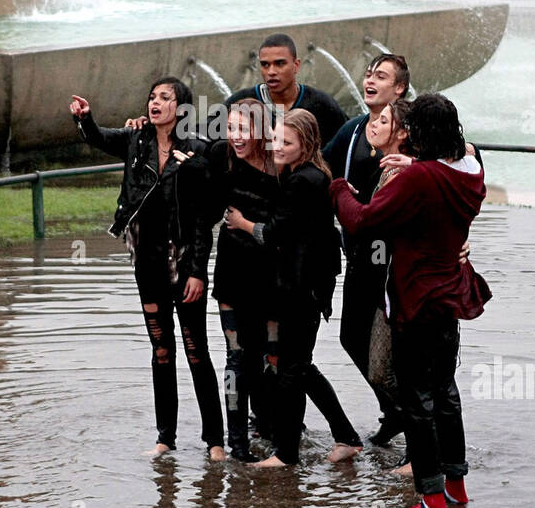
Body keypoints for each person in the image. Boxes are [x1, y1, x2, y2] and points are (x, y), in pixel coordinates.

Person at [331, 94, 491, 508]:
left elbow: (362, 220)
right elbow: (462, 157)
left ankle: (431, 500)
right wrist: (419, 165)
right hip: (450, 296)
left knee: (418, 399)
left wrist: (340, 188)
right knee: (445, 392)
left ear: (418, 134)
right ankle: (456, 486)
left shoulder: (417, 180)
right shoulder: (470, 173)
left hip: (414, 297)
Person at [70, 79, 226, 461]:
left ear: (182, 107)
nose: (155, 103)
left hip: (184, 261)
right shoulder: (136, 139)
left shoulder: (197, 150)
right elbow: (99, 138)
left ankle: (215, 442)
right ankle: (165, 438)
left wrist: (197, 272)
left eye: (165, 98)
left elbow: (203, 221)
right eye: (152, 97)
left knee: (196, 352)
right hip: (147, 262)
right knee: (161, 350)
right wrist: (85, 118)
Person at [225, 108, 362, 468]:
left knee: (291, 369)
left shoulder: (304, 181)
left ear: (307, 144)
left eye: (286, 141)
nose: (277, 146)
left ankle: (286, 454)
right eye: (274, 139)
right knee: (301, 367)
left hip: (302, 290)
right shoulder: (311, 174)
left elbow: (273, 233)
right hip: (307, 286)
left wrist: (241, 223)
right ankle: (346, 436)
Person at [322, 54, 412, 446]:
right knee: (350, 338)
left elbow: (459, 158)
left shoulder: (413, 130)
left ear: (400, 88)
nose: (370, 80)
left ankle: (415, 423)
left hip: (395, 261)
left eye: (382, 76)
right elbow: (322, 164)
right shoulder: (355, 131)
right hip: (359, 254)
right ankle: (394, 411)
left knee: (394, 354)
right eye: (368, 74)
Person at [206, 97, 279, 462]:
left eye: (243, 129)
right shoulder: (221, 156)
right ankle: (237, 443)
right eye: (230, 128)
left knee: (272, 357)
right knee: (236, 358)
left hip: (270, 277)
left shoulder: (280, 164)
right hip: (232, 273)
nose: (235, 136)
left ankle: (276, 431)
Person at [224, 33, 348, 147]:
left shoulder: (322, 105)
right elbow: (208, 138)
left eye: (280, 64)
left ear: (296, 65)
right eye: (265, 65)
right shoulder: (241, 102)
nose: (271, 72)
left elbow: (345, 145)